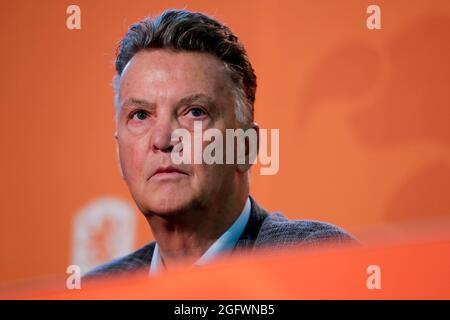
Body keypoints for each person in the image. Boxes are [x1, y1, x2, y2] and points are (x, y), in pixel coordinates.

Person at [85, 9, 356, 278]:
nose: (162, 140)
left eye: (194, 112)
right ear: (118, 150)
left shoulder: (313, 260)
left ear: (246, 147)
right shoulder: (98, 290)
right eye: (140, 115)